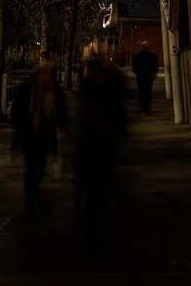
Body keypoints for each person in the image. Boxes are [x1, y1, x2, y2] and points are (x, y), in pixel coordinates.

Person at [73, 53, 127, 257]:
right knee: (95, 195)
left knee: (92, 196)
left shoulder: (91, 95)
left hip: (93, 152)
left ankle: (88, 235)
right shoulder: (102, 95)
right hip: (97, 152)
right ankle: (90, 235)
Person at [10, 51, 67, 215]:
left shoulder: (55, 90)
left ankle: (34, 188)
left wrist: (63, 124)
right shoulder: (28, 87)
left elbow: (61, 109)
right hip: (29, 131)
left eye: (53, 73)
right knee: (29, 165)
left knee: (41, 164)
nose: (52, 77)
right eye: (49, 73)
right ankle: (30, 196)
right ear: (42, 73)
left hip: (45, 132)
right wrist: (16, 127)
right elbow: (17, 108)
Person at [131, 45, 158, 115]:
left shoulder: (152, 55)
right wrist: (137, 72)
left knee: (148, 91)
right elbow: (134, 64)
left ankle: (146, 107)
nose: (145, 47)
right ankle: (142, 106)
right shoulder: (138, 55)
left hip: (148, 76)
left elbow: (155, 65)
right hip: (141, 75)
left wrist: (154, 73)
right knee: (141, 90)